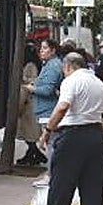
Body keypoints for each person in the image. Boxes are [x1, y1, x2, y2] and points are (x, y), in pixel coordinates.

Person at [36, 52, 103, 205]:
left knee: (62, 183)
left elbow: (62, 106)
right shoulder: (98, 83)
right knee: (93, 188)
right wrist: (100, 131)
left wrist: (47, 131)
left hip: (72, 136)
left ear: (68, 66)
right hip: (95, 137)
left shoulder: (71, 81)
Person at [23, 38, 63, 176]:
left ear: (53, 50)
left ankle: (52, 175)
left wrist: (31, 89)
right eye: (41, 48)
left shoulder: (53, 66)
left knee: (51, 144)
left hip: (48, 111)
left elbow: (47, 90)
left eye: (45, 48)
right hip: (46, 110)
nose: (41, 50)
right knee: (51, 143)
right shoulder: (50, 65)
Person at [17, 42, 45, 166]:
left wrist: (19, 105)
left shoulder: (29, 66)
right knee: (30, 135)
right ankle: (34, 155)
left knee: (29, 134)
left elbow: (28, 85)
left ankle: (35, 155)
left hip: (28, 106)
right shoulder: (37, 65)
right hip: (32, 104)